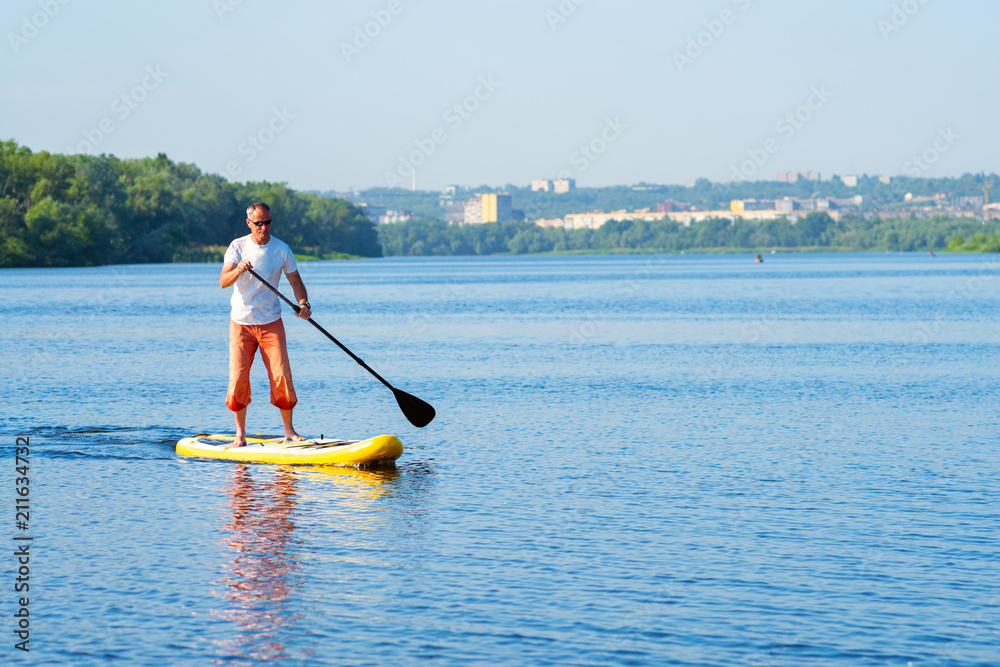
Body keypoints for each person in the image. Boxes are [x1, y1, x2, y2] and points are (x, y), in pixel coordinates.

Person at [219, 202, 312, 446]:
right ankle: (240, 435)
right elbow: (223, 281)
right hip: (241, 323)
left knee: (281, 376)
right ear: (248, 223)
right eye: (258, 223)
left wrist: (304, 303)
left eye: (267, 222)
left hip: (271, 322)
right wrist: (238, 270)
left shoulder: (281, 249)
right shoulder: (237, 247)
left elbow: (296, 282)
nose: (263, 227)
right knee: (238, 378)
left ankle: (289, 431)